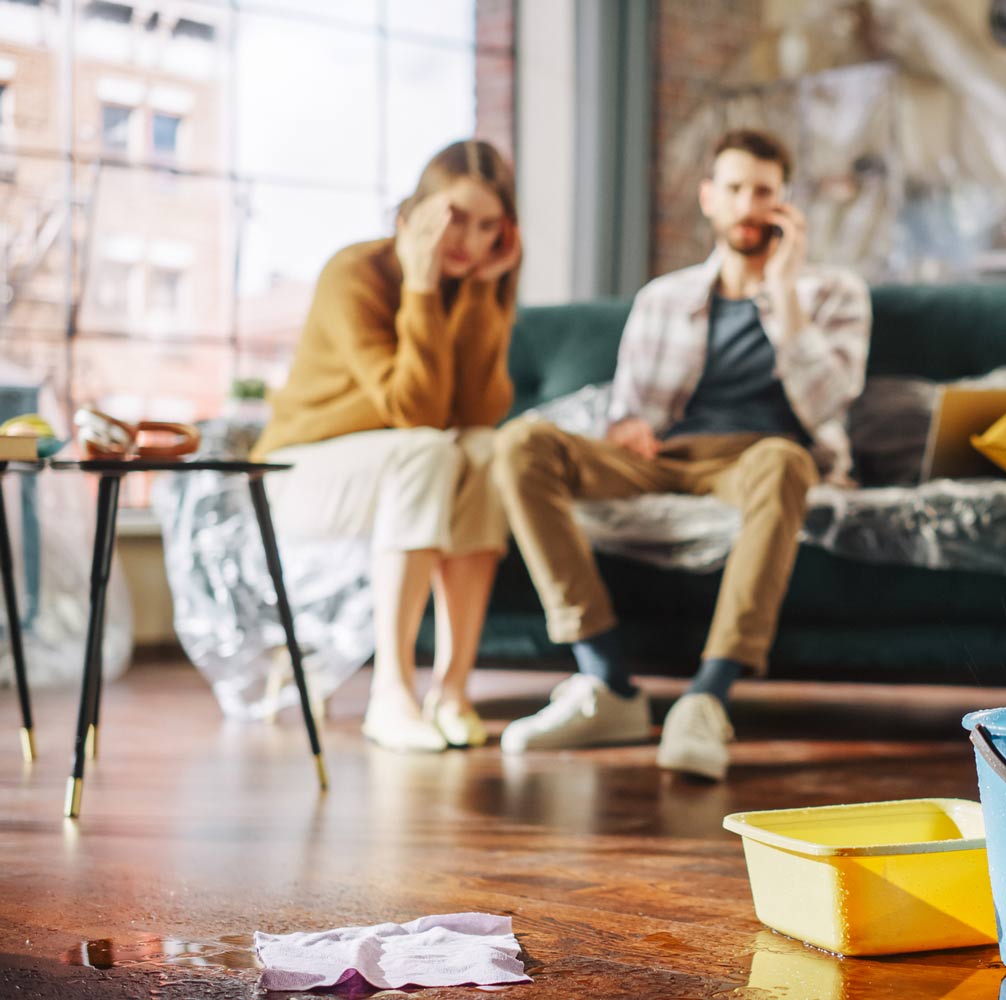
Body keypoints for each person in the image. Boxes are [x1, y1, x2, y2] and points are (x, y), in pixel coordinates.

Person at [492, 128, 871, 780]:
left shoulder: (832, 293)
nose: (748, 205)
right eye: (734, 189)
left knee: (785, 460)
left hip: (760, 460)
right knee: (520, 443)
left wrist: (781, 292)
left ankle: (707, 698)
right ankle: (606, 681)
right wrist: (629, 428)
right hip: (666, 457)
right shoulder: (661, 298)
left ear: (785, 204)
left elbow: (830, 400)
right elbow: (630, 411)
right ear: (708, 198)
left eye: (764, 192)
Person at [252, 139, 522, 753]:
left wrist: (481, 293)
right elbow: (416, 412)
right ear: (413, 213)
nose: (467, 240)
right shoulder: (356, 272)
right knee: (427, 448)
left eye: (487, 227)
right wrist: (422, 288)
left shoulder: (475, 283)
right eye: (454, 217)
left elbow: (480, 413)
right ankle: (391, 695)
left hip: (403, 467)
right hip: (300, 472)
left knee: (485, 451)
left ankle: (452, 690)